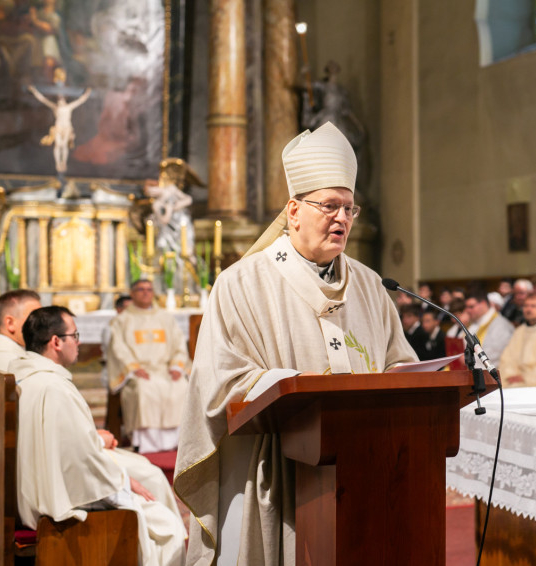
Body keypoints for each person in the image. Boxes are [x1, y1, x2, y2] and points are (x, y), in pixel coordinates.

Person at [174, 121, 416, 564]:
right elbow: (220, 382)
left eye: (349, 208)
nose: (342, 218)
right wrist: (299, 387)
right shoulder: (241, 283)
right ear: (293, 210)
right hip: (276, 466)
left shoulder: (370, 285)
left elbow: (398, 362)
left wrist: (405, 378)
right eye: (330, 206)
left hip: (364, 464)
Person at [11, 306, 185, 566]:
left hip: (36, 488)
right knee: (168, 527)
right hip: (58, 502)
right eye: (74, 335)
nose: (79, 342)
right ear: (56, 342)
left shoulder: (26, 375)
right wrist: (123, 481)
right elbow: (80, 462)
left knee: (145, 477)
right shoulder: (54, 388)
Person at [108, 279, 189, 453]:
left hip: (165, 369)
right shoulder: (122, 320)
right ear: (132, 293)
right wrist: (134, 368)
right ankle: (147, 444)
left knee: (181, 386)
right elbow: (118, 348)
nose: (146, 293)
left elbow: (179, 344)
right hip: (140, 371)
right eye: (141, 289)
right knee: (144, 389)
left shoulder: (166, 318)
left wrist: (176, 367)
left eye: (149, 289)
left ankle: (178, 441)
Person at [0, 289, 42, 494]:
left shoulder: (3, 353)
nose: (42, 326)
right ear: (10, 323)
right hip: (5, 472)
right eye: (34, 319)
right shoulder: (7, 362)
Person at [499, 292, 536, 387]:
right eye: (526, 306)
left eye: (533, 306)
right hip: (515, 384)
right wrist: (511, 374)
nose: (528, 309)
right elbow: (506, 360)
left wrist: (526, 377)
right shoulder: (519, 332)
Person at [464, 287, 514, 366]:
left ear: (483, 303)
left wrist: (466, 360)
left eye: (471, 307)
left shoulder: (501, 325)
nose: (467, 311)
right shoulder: (474, 323)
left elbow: (494, 356)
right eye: (466, 307)